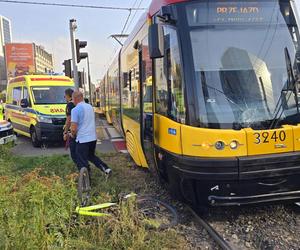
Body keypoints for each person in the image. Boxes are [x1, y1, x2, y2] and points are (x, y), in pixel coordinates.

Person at [70, 91, 112, 176]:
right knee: (91, 156)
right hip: (92, 138)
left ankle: (87, 180)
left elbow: (73, 128)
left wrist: (72, 135)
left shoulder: (75, 110)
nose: (72, 101)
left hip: (82, 140)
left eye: (72, 99)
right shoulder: (90, 107)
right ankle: (106, 169)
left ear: (75, 99)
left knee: (81, 161)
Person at [63, 88, 77, 164]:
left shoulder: (69, 105)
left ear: (68, 95)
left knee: (74, 154)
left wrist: (65, 132)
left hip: (73, 131)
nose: (64, 97)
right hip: (81, 130)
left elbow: (69, 120)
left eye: (64, 96)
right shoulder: (77, 103)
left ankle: (82, 169)